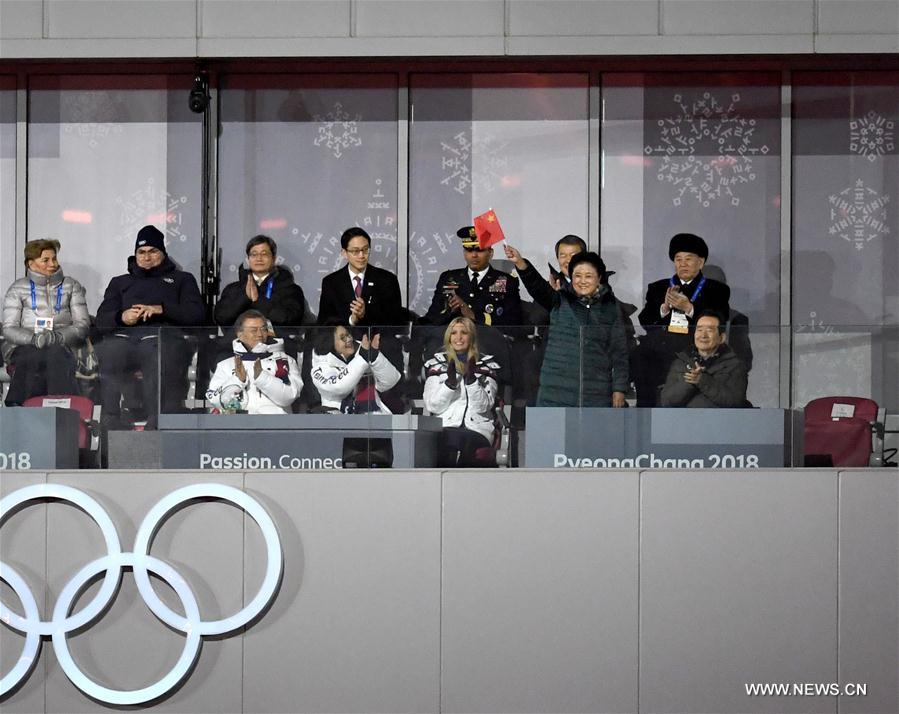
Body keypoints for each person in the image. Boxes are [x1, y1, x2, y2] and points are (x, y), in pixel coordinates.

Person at [95, 225, 204, 428]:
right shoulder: (120, 282)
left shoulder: (182, 279)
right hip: (125, 340)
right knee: (108, 353)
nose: (146, 257)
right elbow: (101, 321)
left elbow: (197, 316)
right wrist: (121, 317)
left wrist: (161, 309)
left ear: (163, 253)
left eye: (153, 251)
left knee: (158, 355)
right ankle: (110, 420)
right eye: (141, 252)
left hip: (163, 340)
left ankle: (156, 422)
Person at [504, 244, 629, 407]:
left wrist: (619, 389)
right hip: (555, 392)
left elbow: (619, 352)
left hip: (596, 393)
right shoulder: (559, 300)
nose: (582, 281)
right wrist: (520, 263)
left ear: (599, 278)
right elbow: (537, 286)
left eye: (588, 276)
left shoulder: (611, 308)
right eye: (577, 276)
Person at [634, 233, 731, 406]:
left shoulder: (717, 290)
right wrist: (663, 310)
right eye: (678, 259)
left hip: (694, 353)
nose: (683, 264)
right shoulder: (658, 287)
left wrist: (689, 308)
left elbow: (721, 320)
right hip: (659, 353)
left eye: (688, 259)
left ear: (700, 262)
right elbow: (645, 320)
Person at [2, 239, 89, 405]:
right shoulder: (17, 288)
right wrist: (34, 339)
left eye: (54, 258)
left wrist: (55, 337)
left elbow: (82, 326)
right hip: (24, 345)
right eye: (46, 260)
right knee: (31, 354)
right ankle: (18, 407)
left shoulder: (71, 286)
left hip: (63, 345)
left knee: (55, 353)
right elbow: (9, 328)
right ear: (31, 264)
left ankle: (60, 408)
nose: (53, 264)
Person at [423, 317, 500, 467]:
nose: (458, 338)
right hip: (445, 427)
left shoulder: (487, 366)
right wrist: (450, 384)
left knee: (460, 441)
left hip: (477, 430)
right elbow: (433, 406)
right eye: (454, 333)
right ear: (448, 337)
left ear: (471, 336)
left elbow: (483, 407)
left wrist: (471, 381)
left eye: (463, 332)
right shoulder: (436, 365)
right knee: (447, 440)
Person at [206, 310, 302, 415]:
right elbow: (215, 400)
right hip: (239, 427)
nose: (260, 334)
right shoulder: (225, 365)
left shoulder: (284, 360)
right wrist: (237, 381)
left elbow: (289, 397)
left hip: (275, 426)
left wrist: (262, 378)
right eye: (253, 330)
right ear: (240, 334)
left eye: (263, 329)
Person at [422, 226, 522, 327]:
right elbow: (432, 318)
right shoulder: (448, 278)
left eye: (480, 250)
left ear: (490, 253)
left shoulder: (506, 281)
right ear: (464, 253)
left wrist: (473, 315)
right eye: (469, 250)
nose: (474, 255)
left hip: (487, 340)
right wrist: (450, 312)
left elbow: (514, 323)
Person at [317, 227, 405, 328]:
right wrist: (352, 320)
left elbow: (396, 322)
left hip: (377, 342)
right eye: (355, 251)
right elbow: (325, 323)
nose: (362, 255)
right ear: (344, 253)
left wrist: (365, 314)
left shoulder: (387, 280)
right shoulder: (331, 282)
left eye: (365, 250)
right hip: (345, 342)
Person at [214, 235, 305, 330]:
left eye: (264, 254)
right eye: (254, 254)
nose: (259, 258)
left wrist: (258, 300)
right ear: (248, 259)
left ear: (274, 259)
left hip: (275, 343)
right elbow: (221, 318)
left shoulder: (290, 289)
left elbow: (289, 319)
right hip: (237, 343)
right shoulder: (232, 289)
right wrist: (245, 298)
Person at [659, 310, 748, 408]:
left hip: (718, 421)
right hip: (684, 421)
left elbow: (735, 402)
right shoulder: (680, 363)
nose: (703, 335)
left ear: (721, 338)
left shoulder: (735, 365)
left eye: (709, 330)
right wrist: (690, 381)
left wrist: (702, 380)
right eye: (699, 330)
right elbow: (666, 401)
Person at [310, 322, 401, 414]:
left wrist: (375, 357)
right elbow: (338, 388)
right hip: (339, 422)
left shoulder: (363, 351)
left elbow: (390, 382)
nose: (349, 339)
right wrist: (362, 359)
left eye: (348, 335)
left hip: (374, 418)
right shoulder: (320, 367)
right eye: (343, 338)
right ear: (330, 342)